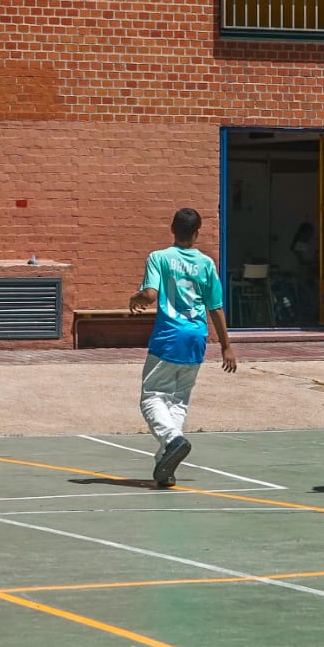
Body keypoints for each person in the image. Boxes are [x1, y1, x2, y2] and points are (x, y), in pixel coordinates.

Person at [127, 207, 237, 488]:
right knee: (178, 399)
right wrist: (226, 346)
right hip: (196, 338)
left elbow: (150, 295)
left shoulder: (159, 258)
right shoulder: (206, 264)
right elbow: (216, 307)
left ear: (172, 229)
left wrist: (136, 297)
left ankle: (172, 440)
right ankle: (166, 463)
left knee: (152, 396)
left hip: (168, 337)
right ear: (197, 233)